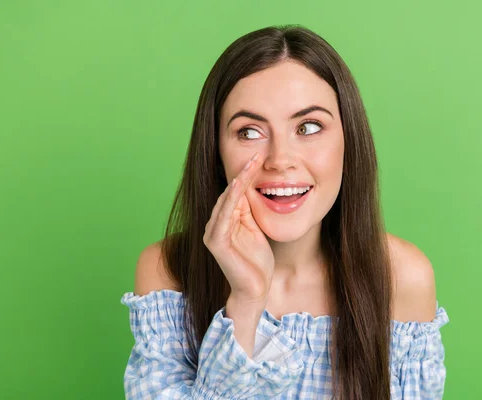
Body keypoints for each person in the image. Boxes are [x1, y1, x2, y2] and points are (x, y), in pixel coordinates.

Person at [121, 24, 449, 400]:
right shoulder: (168, 271)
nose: (280, 161)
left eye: (308, 127)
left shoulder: (402, 278)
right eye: (249, 132)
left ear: (348, 141)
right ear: (216, 152)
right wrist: (245, 301)